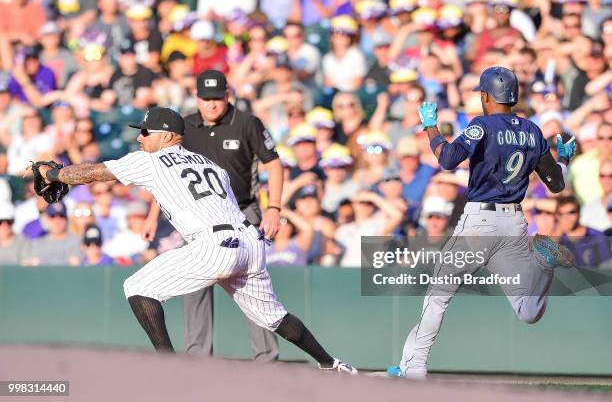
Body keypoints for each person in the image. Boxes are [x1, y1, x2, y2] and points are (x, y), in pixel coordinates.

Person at [35, 106, 357, 374]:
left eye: (145, 132)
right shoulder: (212, 165)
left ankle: (171, 370)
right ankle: (332, 364)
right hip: (249, 242)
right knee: (275, 317)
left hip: (213, 246)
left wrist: (52, 175)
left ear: (166, 136)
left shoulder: (150, 161)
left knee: (137, 288)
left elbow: (92, 173)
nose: (139, 136)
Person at [388, 66, 577, 378]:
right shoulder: (532, 130)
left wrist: (431, 128)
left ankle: (415, 368)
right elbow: (556, 184)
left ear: (485, 96)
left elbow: (447, 159)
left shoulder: (482, 125)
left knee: (438, 295)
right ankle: (544, 265)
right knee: (527, 311)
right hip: (515, 224)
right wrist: (564, 160)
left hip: (480, 222)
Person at [143, 70, 283, 362]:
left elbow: (274, 164)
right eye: (205, 98)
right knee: (195, 282)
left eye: (217, 98)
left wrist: (274, 208)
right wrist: (151, 214)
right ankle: (198, 357)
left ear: (227, 95)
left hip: (242, 211)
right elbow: (165, 174)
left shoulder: (247, 123)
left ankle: (266, 359)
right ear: (196, 97)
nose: (211, 104)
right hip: (200, 217)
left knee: (251, 284)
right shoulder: (185, 126)